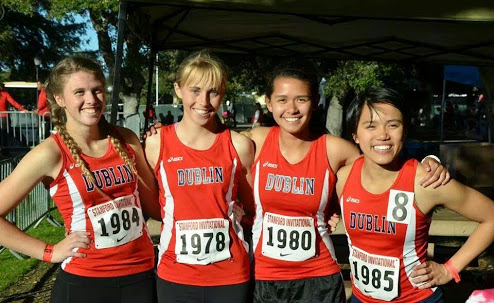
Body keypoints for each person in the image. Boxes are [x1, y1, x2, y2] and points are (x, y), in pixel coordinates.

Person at [247, 60, 449, 303]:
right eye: (282, 99)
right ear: (268, 103)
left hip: (318, 278)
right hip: (265, 276)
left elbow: (381, 160)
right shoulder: (256, 141)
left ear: (315, 102)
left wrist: (429, 160)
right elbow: (211, 148)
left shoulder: (334, 149)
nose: (292, 108)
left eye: (301, 99)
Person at [0, 57, 160, 303]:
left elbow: (154, 207)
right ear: (60, 99)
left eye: (96, 90)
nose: (92, 100)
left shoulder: (126, 139)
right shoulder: (50, 153)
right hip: (85, 282)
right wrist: (49, 252)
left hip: (141, 276)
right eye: (79, 92)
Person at [336, 87, 494, 303]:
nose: (382, 135)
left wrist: (450, 269)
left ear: (405, 131)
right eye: (370, 126)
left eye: (393, 125)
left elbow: (492, 216)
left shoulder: (425, 181)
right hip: (360, 299)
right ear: (355, 134)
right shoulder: (343, 178)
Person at [144, 51, 254, 303]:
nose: (203, 101)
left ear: (222, 93)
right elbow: (148, 203)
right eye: (194, 90)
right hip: (176, 274)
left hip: (230, 274)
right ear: (178, 89)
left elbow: (256, 206)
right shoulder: (156, 143)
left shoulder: (239, 145)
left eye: (213, 92)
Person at [0, 81, 27, 146]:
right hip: (4, 117)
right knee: (5, 134)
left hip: (4, 117)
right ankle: (5, 150)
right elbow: (13, 102)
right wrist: (22, 109)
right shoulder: (5, 94)